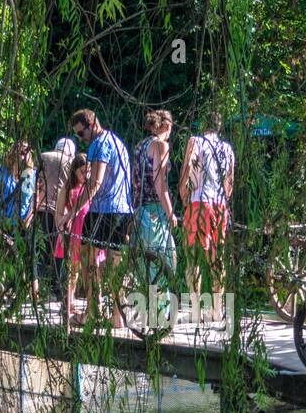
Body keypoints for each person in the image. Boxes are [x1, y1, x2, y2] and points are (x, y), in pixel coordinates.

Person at [70, 109, 132, 327]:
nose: (81, 139)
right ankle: (117, 316)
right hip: (123, 208)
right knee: (116, 262)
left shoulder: (99, 144)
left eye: (81, 134)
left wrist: (72, 212)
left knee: (87, 255)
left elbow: (95, 183)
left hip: (103, 209)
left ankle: (93, 310)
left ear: (92, 125)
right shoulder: (118, 142)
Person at [179, 111, 235, 312]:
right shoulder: (227, 149)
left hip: (199, 202)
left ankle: (195, 308)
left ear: (203, 125)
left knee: (192, 257)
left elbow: (187, 170)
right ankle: (217, 309)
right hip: (220, 205)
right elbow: (230, 183)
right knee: (216, 257)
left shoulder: (196, 141)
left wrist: (184, 194)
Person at [54, 154, 100, 324]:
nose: (86, 175)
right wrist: (61, 231)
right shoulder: (67, 188)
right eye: (82, 172)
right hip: (74, 233)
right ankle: (68, 301)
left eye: (88, 171)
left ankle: (93, 306)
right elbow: (59, 213)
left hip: (88, 231)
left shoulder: (90, 188)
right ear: (74, 171)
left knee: (91, 269)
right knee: (73, 271)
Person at [132, 110, 178, 271]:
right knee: (165, 265)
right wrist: (170, 212)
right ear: (167, 125)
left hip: (139, 209)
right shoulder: (160, 145)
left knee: (146, 266)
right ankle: (161, 297)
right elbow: (160, 182)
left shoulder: (140, 146)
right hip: (155, 211)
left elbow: (135, 180)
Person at [36, 136, 77, 304]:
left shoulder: (43, 156)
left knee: (42, 249)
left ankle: (40, 285)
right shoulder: (71, 162)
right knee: (59, 252)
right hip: (62, 212)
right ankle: (57, 287)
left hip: (41, 208)